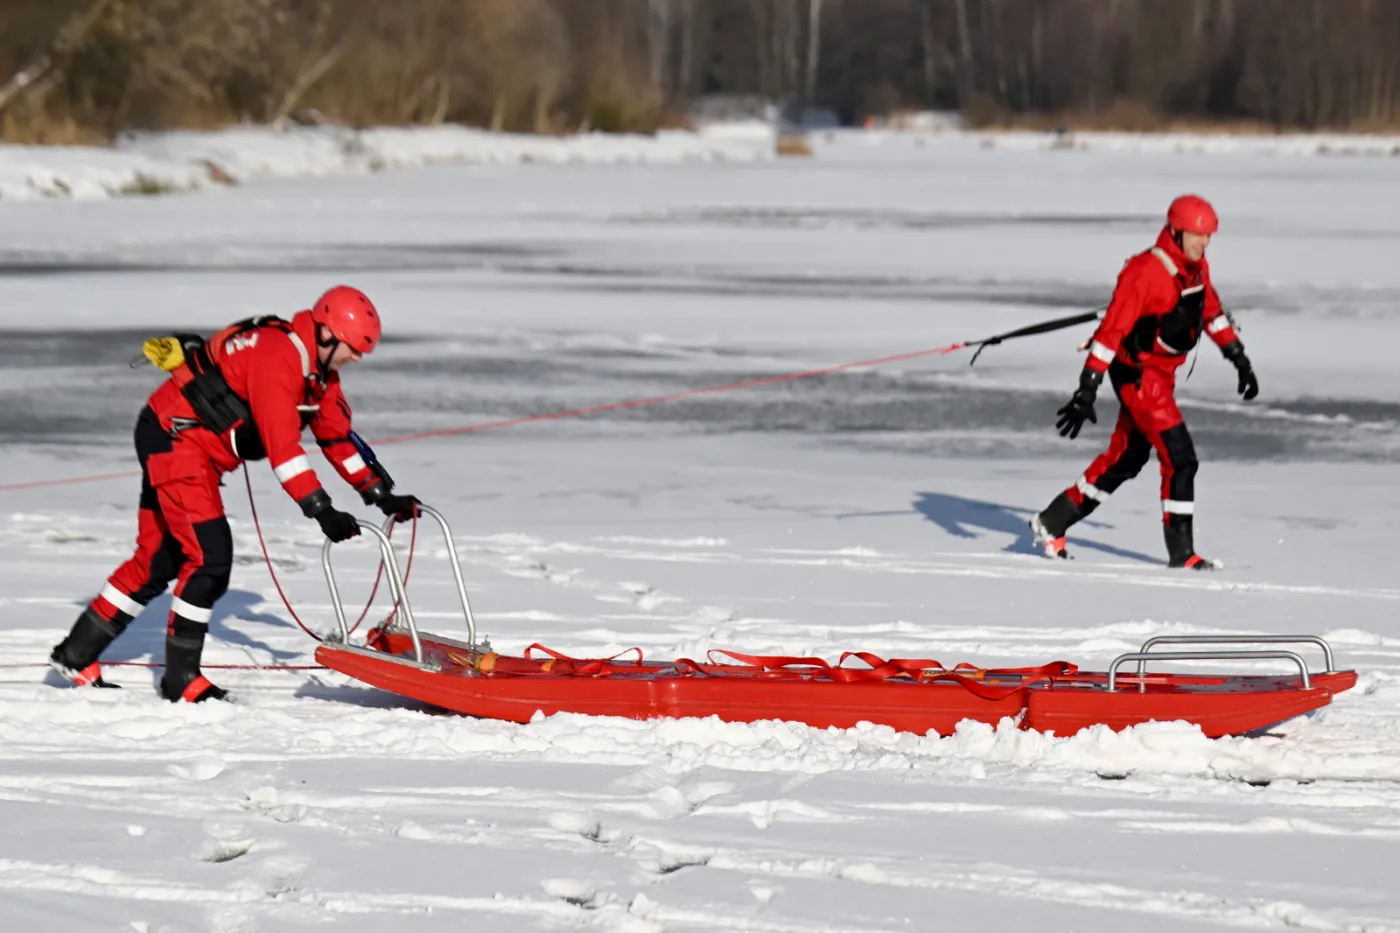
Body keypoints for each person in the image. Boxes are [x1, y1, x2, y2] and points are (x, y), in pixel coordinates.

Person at [48, 286, 421, 702]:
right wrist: (322, 511)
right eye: (353, 349)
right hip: (175, 441)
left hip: (186, 447)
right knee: (209, 559)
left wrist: (380, 494)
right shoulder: (279, 358)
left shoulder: (319, 376)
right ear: (327, 335)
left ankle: (75, 655)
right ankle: (182, 679)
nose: (357, 359)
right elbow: (284, 452)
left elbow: (335, 438)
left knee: (159, 559)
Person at [1029, 195, 1259, 570]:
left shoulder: (1196, 268)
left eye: (1209, 236)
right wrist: (1087, 388)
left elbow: (1212, 312)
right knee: (1181, 459)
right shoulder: (1144, 272)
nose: (1204, 243)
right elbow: (1110, 333)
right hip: (1140, 379)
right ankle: (1182, 555)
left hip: (1161, 376)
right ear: (1176, 230)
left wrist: (1239, 358)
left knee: (1126, 459)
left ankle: (1053, 520)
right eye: (1197, 235)